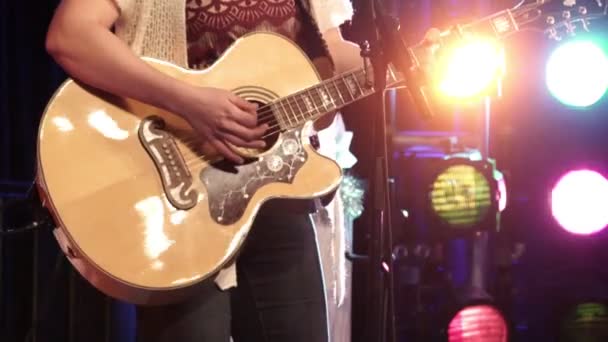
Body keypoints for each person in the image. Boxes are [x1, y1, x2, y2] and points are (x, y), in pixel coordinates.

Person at [45, 0, 360, 341]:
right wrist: (188, 102)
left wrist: (399, 65)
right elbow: (70, 35)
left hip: (276, 192)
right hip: (175, 198)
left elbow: (323, 83)